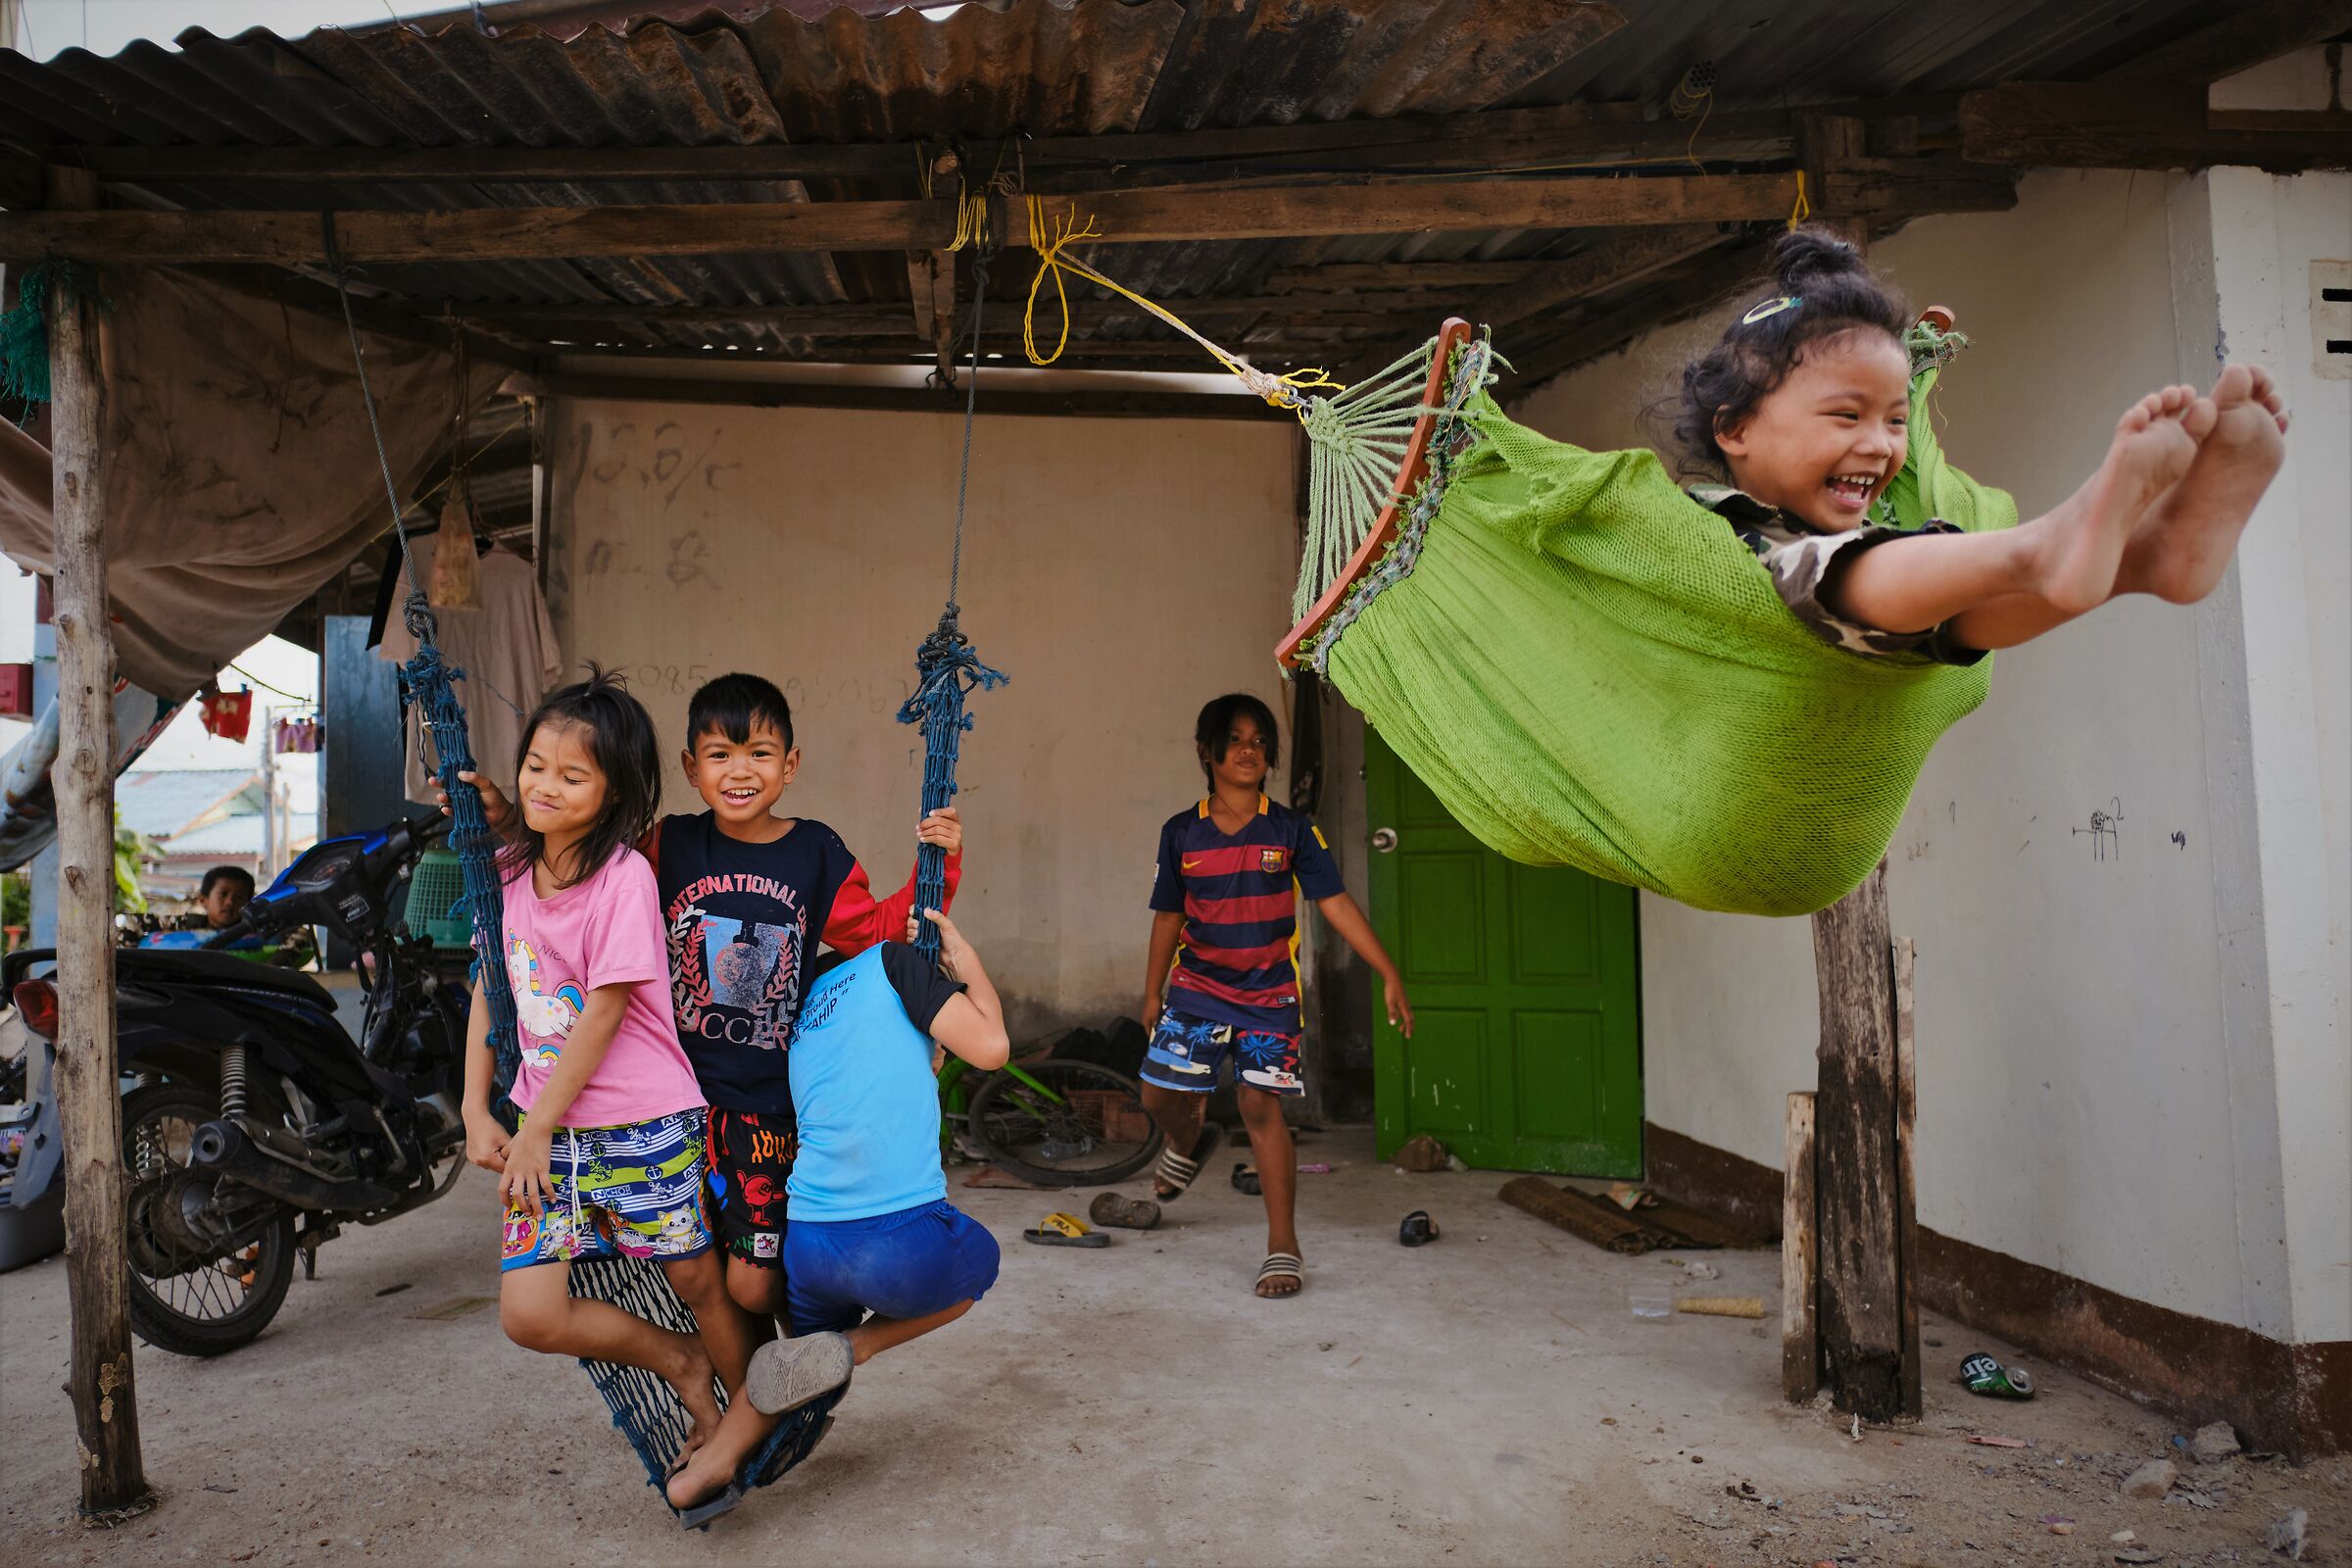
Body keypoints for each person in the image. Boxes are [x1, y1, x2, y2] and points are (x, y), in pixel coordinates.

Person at [448, 671, 962, 1331]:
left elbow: (875, 934)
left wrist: (938, 866)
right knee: (699, 1265)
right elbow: (575, 846)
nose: (739, 772)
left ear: (790, 765)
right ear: (692, 767)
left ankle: (810, 1345)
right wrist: (499, 817)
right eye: (720, 755)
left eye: (759, 754)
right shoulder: (667, 846)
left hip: (766, 1099)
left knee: (753, 1284)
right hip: (676, 1097)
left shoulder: (816, 853)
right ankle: (749, 1390)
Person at [1662, 228, 2287, 663]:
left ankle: (2147, 559)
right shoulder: (1702, 530)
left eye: (1896, 420)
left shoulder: (1887, 548)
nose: (1879, 445)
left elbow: (1942, 613)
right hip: (1774, 596)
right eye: (1847, 415)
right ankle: (2044, 546)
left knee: (1957, 615)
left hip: (1882, 619)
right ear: (1736, 429)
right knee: (1847, 569)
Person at [458, 667, 750, 1456]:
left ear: (614, 790)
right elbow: (494, 983)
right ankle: (680, 1363)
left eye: (573, 774)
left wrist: (536, 1126)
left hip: (638, 1121)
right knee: (531, 1315)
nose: (546, 786)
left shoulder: (624, 879)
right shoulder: (510, 870)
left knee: (696, 1281)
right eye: (536, 767)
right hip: (541, 1134)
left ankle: (752, 1422)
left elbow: (606, 1009)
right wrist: (475, 1106)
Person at [662, 906, 1008, 1512]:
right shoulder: (897, 963)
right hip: (900, 1242)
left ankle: (703, 1471)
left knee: (794, 1359)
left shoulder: (796, 1007)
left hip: (809, 1243)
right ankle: (860, 1346)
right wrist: (966, 963)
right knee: (981, 1261)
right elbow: (991, 1049)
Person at [1128, 694, 1412, 1299]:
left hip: (1269, 998)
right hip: (1197, 990)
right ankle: (1187, 1139)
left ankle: (1283, 1245)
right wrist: (1151, 991)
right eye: (1234, 740)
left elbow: (1334, 903)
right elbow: (1167, 917)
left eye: (1259, 741)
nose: (1248, 751)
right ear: (1207, 752)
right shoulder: (1182, 832)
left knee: (1260, 1108)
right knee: (1156, 1093)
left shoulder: (1292, 829)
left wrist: (1388, 971)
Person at [194, 865, 255, 930]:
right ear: (203, 900)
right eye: (223, 894)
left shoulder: (258, 937)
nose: (230, 902)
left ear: (248, 903)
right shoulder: (185, 932)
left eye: (239, 897)